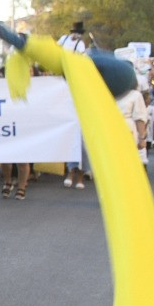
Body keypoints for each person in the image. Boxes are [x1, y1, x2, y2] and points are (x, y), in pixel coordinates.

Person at [59, 22, 90, 188]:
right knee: (72, 142)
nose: (77, 36)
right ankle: (71, 171)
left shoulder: (80, 45)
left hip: (82, 114)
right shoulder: (63, 40)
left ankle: (81, 175)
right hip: (63, 73)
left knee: (82, 145)